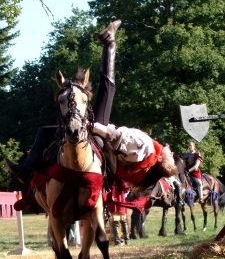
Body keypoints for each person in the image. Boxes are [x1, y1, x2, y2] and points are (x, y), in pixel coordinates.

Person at [5, 19, 178, 195]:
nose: (171, 151)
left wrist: (90, 125)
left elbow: (114, 135)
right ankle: (27, 170)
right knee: (45, 131)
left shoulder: (147, 148)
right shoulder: (146, 157)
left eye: (170, 155)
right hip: (96, 132)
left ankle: (110, 43)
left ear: (163, 159)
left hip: (98, 130)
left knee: (107, 88)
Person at [105, 179, 130, 246]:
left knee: (117, 223)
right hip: (120, 202)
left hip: (115, 203)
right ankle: (126, 240)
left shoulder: (110, 180)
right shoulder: (120, 179)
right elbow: (127, 189)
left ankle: (118, 241)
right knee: (123, 222)